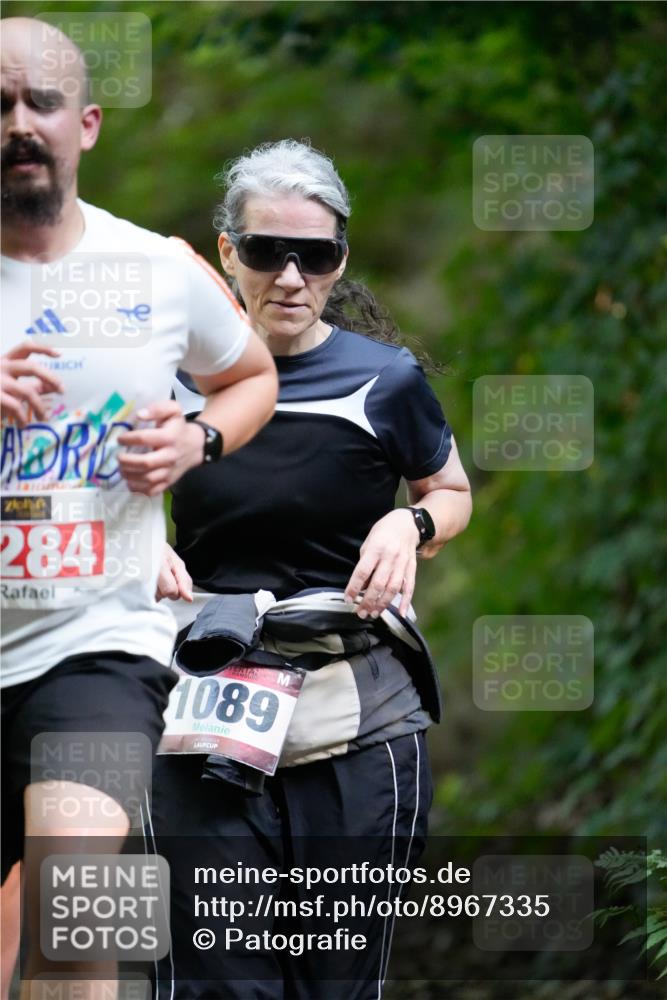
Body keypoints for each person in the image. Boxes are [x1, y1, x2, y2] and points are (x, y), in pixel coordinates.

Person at [152, 139, 472, 999]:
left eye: (315, 255)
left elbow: (449, 490)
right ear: (228, 254)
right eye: (264, 252)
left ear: (340, 262)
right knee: (220, 979)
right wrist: (140, 542)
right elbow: (106, 494)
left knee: (336, 979)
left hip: (356, 715)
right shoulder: (171, 378)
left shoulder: (386, 381)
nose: (289, 277)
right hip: (204, 703)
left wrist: (409, 524)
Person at [0, 16, 277, 999]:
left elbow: (248, 375)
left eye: (40, 103)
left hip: (96, 642)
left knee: (77, 924)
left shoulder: (156, 268)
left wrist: (199, 438)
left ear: (88, 123)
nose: (19, 123)